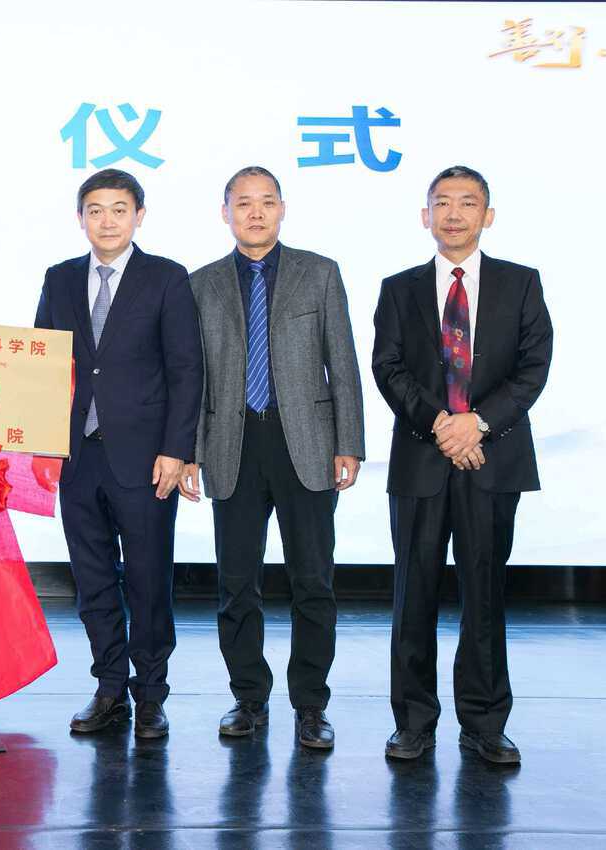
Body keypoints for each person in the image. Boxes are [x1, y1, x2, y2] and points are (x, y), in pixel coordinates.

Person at [372, 165, 553, 764]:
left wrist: (476, 423)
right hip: (421, 460)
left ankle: (484, 723)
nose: (454, 213)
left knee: (485, 594)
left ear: (487, 216)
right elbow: (388, 368)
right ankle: (413, 722)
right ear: (425, 216)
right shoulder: (398, 288)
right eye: (442, 203)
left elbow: (533, 367)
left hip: (492, 458)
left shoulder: (521, 283)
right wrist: (442, 425)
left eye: (467, 202)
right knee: (413, 595)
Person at [182, 166, 365, 748]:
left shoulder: (320, 273)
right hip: (231, 444)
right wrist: (189, 451)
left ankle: (311, 705)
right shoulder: (201, 283)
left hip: (305, 443)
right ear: (225, 213)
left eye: (266, 202)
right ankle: (248, 698)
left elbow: (343, 361)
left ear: (282, 209)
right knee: (237, 583)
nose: (255, 213)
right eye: (243, 203)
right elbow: (191, 376)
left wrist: (349, 442)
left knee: (313, 580)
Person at [33, 168, 203, 739]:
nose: (107, 221)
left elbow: (186, 370)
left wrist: (177, 450)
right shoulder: (59, 279)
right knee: (93, 580)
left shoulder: (166, 278)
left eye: (119, 209)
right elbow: (42, 365)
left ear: (139, 216)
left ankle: (150, 694)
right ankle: (109, 688)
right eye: (96, 210)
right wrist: (42, 442)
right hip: (78, 457)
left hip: (147, 458)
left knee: (149, 580)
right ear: (80, 218)